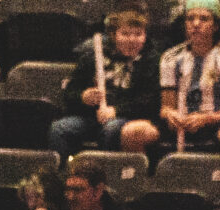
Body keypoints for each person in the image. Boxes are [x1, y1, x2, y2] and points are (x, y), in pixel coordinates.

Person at [51, 6, 163, 157]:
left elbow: (150, 101)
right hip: (91, 117)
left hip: (128, 119)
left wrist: (116, 111)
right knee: (59, 129)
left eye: (138, 34)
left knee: (111, 129)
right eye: (125, 34)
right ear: (113, 35)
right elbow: (70, 92)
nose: (132, 40)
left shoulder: (152, 60)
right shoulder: (92, 57)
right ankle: (67, 174)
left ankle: (107, 174)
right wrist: (83, 97)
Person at [160, 0, 220, 153]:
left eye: (204, 19)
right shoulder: (170, 57)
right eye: (190, 19)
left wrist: (206, 119)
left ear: (215, 25)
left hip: (216, 124)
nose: (196, 24)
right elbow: (166, 107)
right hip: (181, 125)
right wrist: (171, 114)